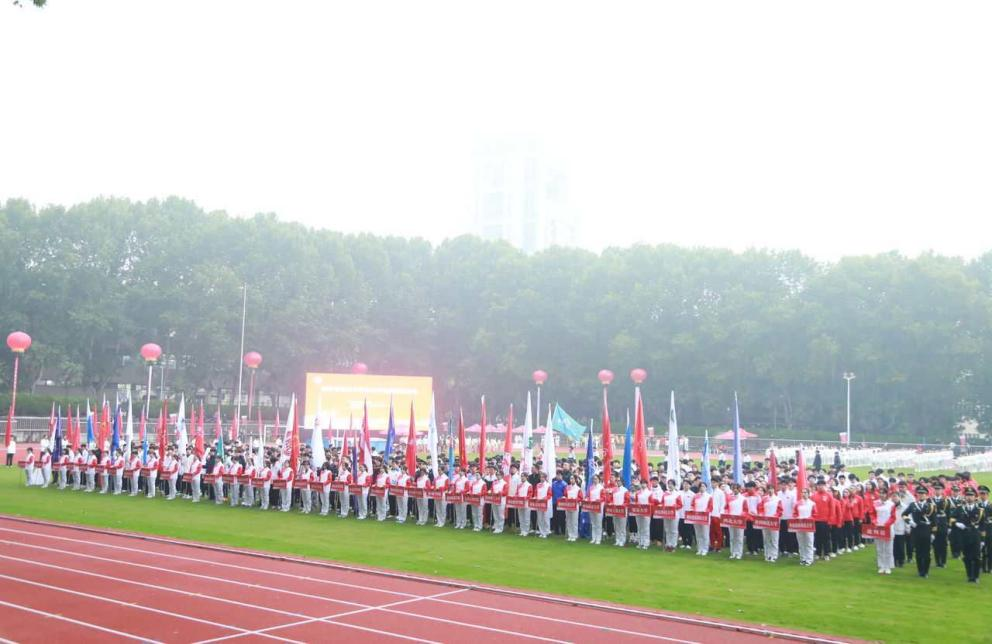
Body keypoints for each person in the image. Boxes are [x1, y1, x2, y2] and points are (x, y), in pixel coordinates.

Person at [951, 487, 984, 583]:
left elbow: (983, 526)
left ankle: (976, 577)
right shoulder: (960, 508)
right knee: (967, 557)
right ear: (965, 497)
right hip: (964, 535)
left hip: (975, 535)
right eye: (967, 495)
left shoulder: (980, 510)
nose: (969, 497)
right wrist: (957, 523)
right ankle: (969, 576)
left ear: (975, 497)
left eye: (971, 496)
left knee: (976, 557)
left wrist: (982, 540)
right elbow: (951, 518)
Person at [902, 485, 935, 578]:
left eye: (923, 494)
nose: (921, 495)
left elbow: (934, 520)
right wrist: (910, 521)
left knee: (927, 552)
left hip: (927, 530)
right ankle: (920, 570)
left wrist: (933, 533)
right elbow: (904, 514)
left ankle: (926, 571)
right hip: (916, 530)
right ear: (917, 495)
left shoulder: (931, 506)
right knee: (918, 552)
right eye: (919, 494)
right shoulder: (913, 505)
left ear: (926, 495)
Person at [872, 489, 898, 574]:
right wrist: (875, 522)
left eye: (883, 493)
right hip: (878, 528)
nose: (882, 495)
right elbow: (872, 514)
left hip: (888, 528)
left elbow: (893, 517)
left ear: (887, 494)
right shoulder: (875, 503)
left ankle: (888, 566)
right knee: (879, 548)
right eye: (880, 493)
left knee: (888, 548)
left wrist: (886, 524)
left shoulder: (891, 504)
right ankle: (881, 565)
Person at [724, 483, 749, 560]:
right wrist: (727, 514)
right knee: (732, 537)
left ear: (739, 489)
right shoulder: (729, 498)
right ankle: (733, 552)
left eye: (736, 488)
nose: (735, 490)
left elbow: (745, 510)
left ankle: (739, 553)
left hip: (739, 520)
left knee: (739, 538)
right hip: (731, 520)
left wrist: (741, 516)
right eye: (733, 488)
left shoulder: (743, 498)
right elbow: (726, 508)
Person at [794, 487, 818, 566]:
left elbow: (815, 514)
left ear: (808, 494)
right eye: (802, 492)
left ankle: (809, 559)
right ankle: (803, 558)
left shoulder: (812, 503)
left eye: (805, 492)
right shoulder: (797, 503)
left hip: (809, 526)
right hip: (799, 525)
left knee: (809, 543)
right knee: (801, 543)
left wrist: (809, 519)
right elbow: (794, 513)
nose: (804, 494)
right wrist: (797, 518)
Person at [760, 484, 783, 562]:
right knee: (766, 539)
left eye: (772, 489)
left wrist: (775, 516)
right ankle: (767, 555)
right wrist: (762, 515)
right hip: (765, 522)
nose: (770, 490)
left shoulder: (778, 499)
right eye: (769, 489)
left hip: (774, 522)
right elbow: (760, 509)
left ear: (774, 490)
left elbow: (780, 510)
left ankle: (774, 555)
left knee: (774, 539)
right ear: (767, 490)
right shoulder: (764, 499)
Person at [932, 485, 952, 568]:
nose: (937, 491)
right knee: (936, 544)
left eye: (939, 489)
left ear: (942, 490)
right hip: (934, 524)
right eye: (936, 489)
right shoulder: (930, 500)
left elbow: (949, 514)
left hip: (943, 524)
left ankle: (943, 562)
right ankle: (937, 562)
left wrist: (949, 526)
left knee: (943, 544)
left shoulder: (946, 501)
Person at [690, 483, 713, 556]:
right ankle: (700, 548)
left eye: (703, 486)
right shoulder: (695, 496)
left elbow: (710, 507)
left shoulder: (709, 496)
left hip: (705, 517)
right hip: (696, 517)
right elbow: (692, 505)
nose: (702, 488)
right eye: (700, 486)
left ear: (706, 487)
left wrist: (705, 512)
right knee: (698, 534)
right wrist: (692, 510)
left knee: (705, 534)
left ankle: (705, 549)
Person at [660, 479, 682, 551]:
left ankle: (673, 545)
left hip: (675, 514)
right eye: (669, 484)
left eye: (671, 484)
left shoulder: (677, 494)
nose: (670, 485)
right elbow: (662, 503)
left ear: (674, 485)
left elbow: (680, 504)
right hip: (666, 514)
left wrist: (675, 507)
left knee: (674, 530)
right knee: (667, 529)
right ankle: (668, 544)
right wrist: (662, 506)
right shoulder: (665, 493)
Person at [631, 479, 653, 549]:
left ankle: (646, 543)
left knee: (646, 528)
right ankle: (640, 542)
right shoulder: (638, 493)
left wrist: (646, 506)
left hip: (646, 512)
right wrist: (637, 505)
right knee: (639, 528)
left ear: (646, 484)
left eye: (644, 483)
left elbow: (652, 503)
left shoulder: (649, 493)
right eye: (642, 483)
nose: (643, 485)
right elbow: (636, 502)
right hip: (638, 512)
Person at [609, 479, 630, 547]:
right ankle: (617, 540)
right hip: (615, 510)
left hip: (622, 510)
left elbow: (627, 500)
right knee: (616, 526)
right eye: (617, 481)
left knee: (622, 526)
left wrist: (623, 505)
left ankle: (622, 540)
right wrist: (611, 503)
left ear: (622, 482)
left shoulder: (625, 490)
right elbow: (611, 499)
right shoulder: (614, 490)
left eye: (619, 481)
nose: (618, 482)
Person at [563, 475, 583, 542]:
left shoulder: (578, 488)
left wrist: (574, 500)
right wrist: (565, 498)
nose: (571, 480)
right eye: (570, 479)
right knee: (568, 521)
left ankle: (574, 535)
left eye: (572, 479)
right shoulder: (567, 487)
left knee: (574, 521)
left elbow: (580, 497)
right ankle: (570, 535)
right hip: (568, 505)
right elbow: (565, 495)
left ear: (575, 480)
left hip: (575, 506)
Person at [533, 471, 553, 538]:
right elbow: (536, 493)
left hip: (545, 504)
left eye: (542, 477)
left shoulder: (548, 485)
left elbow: (549, 495)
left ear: (545, 478)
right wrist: (535, 497)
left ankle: (546, 532)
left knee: (545, 518)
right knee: (540, 518)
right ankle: (541, 532)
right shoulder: (538, 485)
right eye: (540, 477)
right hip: (539, 504)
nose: (541, 478)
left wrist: (544, 499)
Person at [587, 474, 605, 545]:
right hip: (592, 507)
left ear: (599, 479)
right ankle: (593, 538)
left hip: (599, 507)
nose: (595, 480)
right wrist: (588, 499)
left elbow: (603, 497)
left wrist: (598, 500)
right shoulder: (591, 487)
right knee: (593, 523)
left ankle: (598, 539)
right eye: (594, 479)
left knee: (598, 523)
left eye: (596, 479)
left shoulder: (601, 487)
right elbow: (588, 496)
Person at [490, 469, 508, 534]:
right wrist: (492, 492)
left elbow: (505, 492)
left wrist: (500, 493)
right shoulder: (494, 482)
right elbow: (492, 489)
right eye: (497, 475)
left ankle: (500, 528)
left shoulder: (505, 483)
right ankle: (496, 526)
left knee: (500, 515)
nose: (498, 476)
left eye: (499, 475)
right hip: (494, 500)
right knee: (495, 514)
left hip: (501, 501)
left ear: (502, 475)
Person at [516, 472, 533, 536]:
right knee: (521, 517)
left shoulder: (529, 485)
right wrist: (517, 497)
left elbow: (530, 494)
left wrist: (525, 498)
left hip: (526, 503)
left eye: (523, 476)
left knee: (526, 517)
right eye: (521, 476)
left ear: (526, 477)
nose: (522, 477)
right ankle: (522, 530)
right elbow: (517, 493)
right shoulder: (519, 485)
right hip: (520, 503)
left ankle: (526, 530)